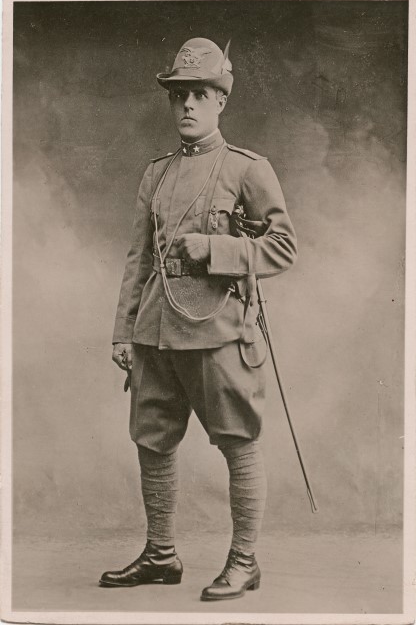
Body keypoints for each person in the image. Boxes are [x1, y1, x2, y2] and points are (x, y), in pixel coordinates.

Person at [99, 37, 297, 601]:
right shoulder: (156, 174)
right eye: (178, 95)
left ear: (221, 101)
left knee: (238, 442)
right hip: (156, 331)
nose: (187, 104)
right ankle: (161, 555)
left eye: (200, 95)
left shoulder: (247, 169)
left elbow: (283, 247)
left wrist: (214, 248)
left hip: (217, 332)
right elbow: (138, 258)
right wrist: (124, 331)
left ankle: (244, 561)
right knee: (152, 442)